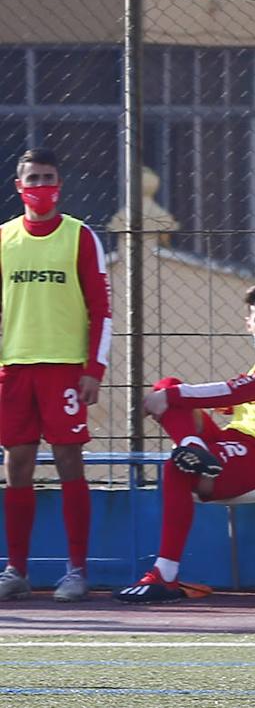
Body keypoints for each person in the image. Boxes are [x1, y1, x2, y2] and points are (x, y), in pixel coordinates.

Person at [112, 281, 255, 604]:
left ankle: (166, 573)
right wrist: (181, 399)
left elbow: (239, 391)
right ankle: (192, 445)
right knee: (169, 386)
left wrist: (171, 397)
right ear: (248, 324)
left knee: (174, 446)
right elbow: (240, 398)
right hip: (237, 441)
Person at [0, 147, 111, 603]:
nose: (41, 186)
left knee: (69, 464)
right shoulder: (4, 238)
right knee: (17, 468)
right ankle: (16, 570)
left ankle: (76, 570)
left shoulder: (80, 237)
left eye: (49, 177)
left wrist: (93, 369)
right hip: (14, 368)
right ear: (19, 186)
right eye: (34, 178)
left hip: (65, 369)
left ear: (60, 185)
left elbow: (101, 309)